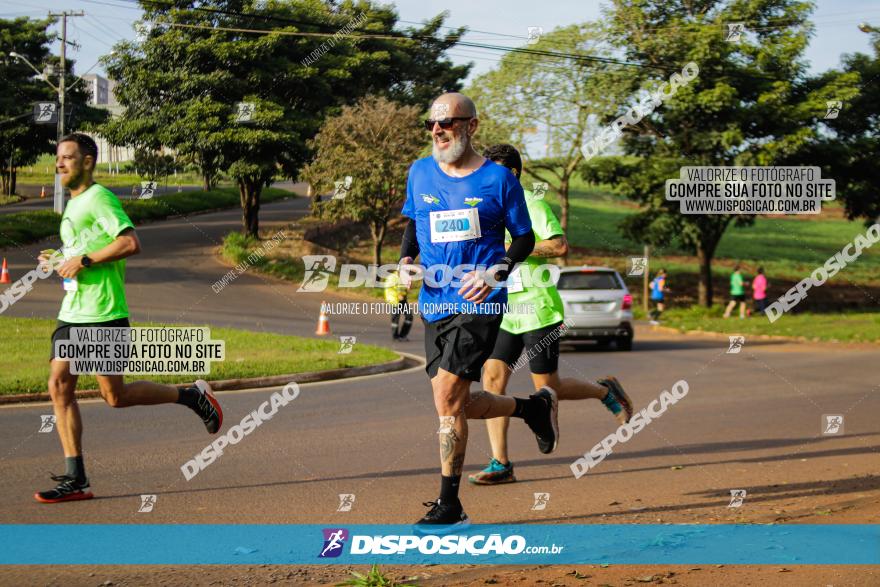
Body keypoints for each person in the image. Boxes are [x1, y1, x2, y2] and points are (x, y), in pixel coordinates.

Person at [34, 133, 223, 504]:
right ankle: (76, 478)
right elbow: (84, 249)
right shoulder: (72, 206)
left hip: (103, 313)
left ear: (88, 161)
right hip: (74, 311)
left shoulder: (99, 197)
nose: (60, 164)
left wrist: (84, 260)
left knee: (114, 397)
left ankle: (191, 396)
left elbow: (129, 242)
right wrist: (60, 259)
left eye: (68, 158)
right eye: (58, 158)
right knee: (59, 385)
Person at [399, 93, 558, 528]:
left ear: (471, 126)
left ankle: (450, 506)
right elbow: (415, 222)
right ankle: (532, 409)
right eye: (432, 123)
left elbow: (523, 239)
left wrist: (495, 272)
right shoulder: (420, 171)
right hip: (435, 301)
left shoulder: (497, 181)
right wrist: (406, 260)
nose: (438, 130)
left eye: (447, 123)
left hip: (480, 302)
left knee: (447, 399)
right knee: (461, 402)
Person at [468, 144, 634, 486]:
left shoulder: (531, 203)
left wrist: (515, 248)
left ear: (511, 174)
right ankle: (501, 463)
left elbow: (558, 246)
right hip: (502, 307)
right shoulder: (485, 208)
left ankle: (605, 391)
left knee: (548, 386)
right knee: (493, 380)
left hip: (538, 306)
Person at [384, 268, 413, 341]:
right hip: (394, 300)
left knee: (409, 316)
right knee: (396, 318)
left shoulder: (403, 277)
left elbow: (404, 288)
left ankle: (403, 335)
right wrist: (399, 294)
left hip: (402, 299)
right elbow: (390, 288)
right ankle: (395, 336)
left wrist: (407, 289)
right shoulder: (393, 277)